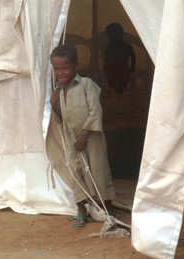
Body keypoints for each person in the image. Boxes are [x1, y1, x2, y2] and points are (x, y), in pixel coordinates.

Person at [49, 45, 116, 228]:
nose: (61, 73)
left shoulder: (86, 84)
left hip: (91, 137)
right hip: (72, 139)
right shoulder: (59, 91)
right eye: (56, 69)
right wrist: (54, 103)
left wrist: (85, 134)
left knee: (98, 168)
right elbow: (61, 119)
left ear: (75, 66)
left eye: (65, 68)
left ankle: (107, 206)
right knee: (76, 170)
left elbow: (96, 111)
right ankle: (81, 208)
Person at [104, 22, 136, 95]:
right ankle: (114, 85)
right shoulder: (109, 46)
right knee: (108, 69)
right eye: (108, 36)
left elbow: (133, 56)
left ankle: (121, 86)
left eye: (110, 36)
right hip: (111, 65)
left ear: (120, 35)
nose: (109, 38)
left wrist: (132, 67)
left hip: (122, 65)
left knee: (124, 72)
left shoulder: (126, 45)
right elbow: (106, 57)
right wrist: (107, 64)